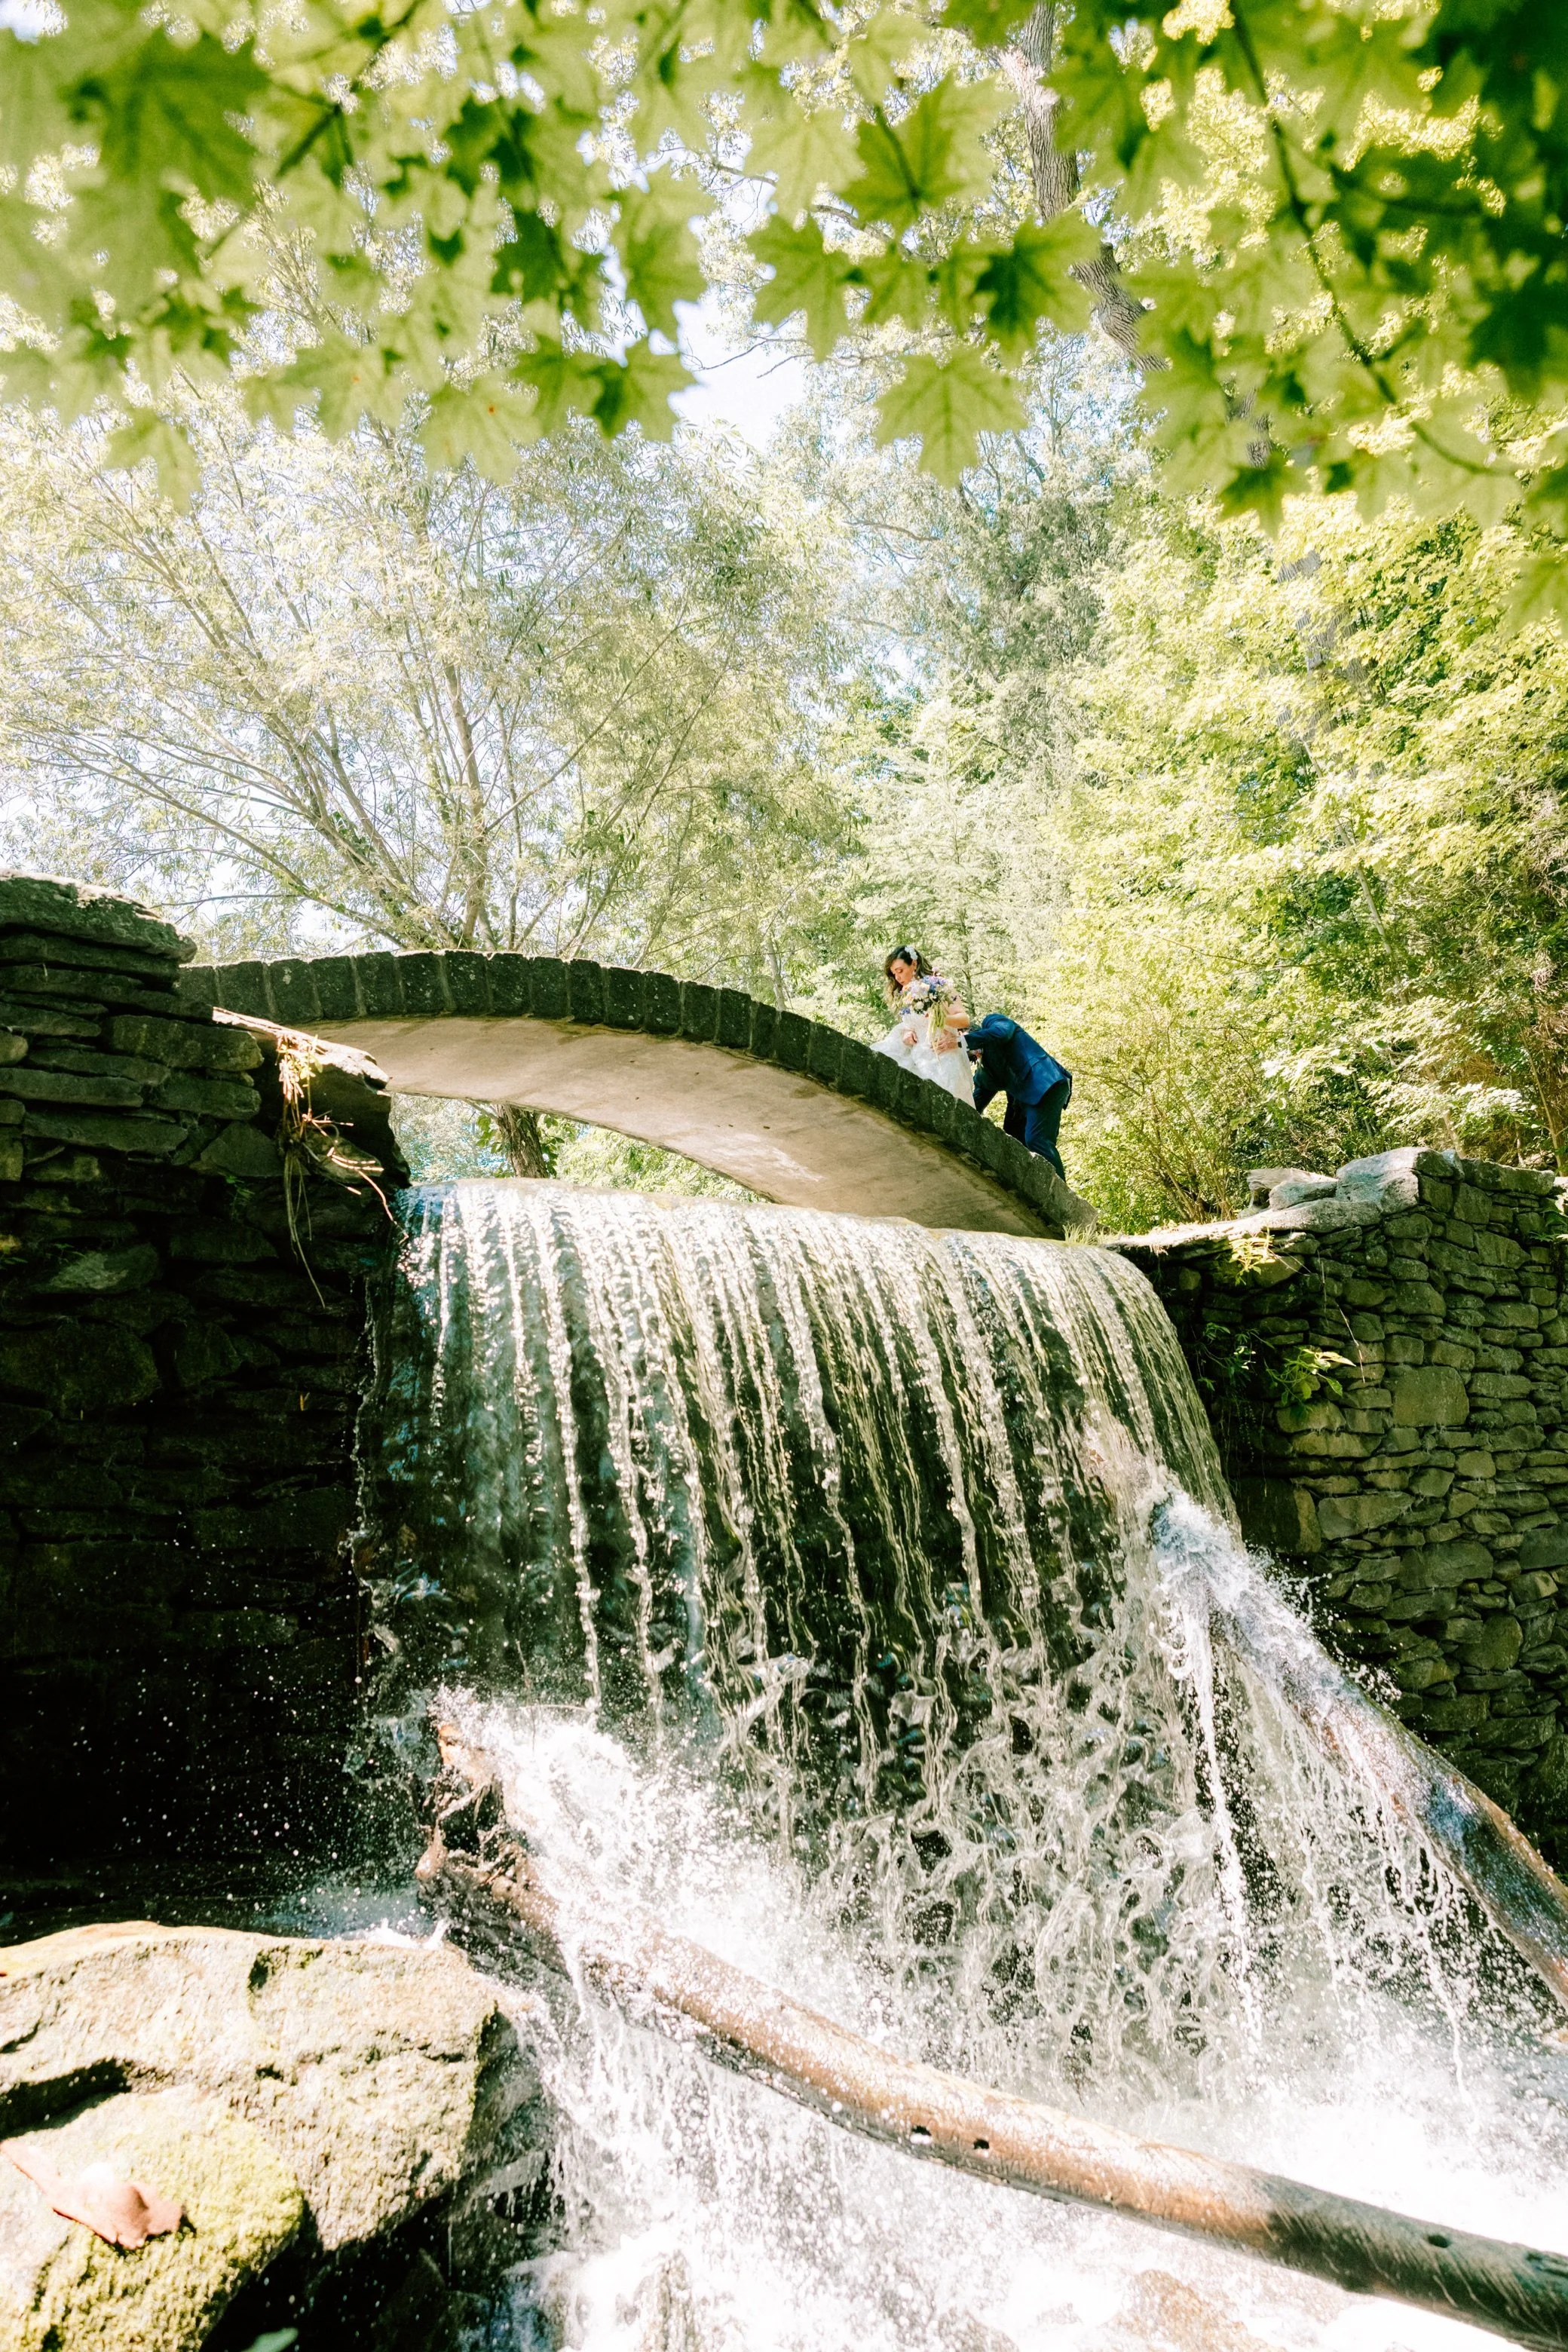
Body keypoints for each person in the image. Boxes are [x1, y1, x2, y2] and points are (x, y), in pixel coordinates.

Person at [964, 1012, 1072, 1180]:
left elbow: (1002, 1034)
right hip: (1024, 1099)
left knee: (1037, 1139)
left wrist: (962, 1041)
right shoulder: (985, 1073)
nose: (974, 1054)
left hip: (1046, 1082)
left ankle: (1061, 1191)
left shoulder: (993, 1021)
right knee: (1013, 1138)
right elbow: (975, 1103)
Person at [871, 945, 974, 1107]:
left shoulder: (939, 986)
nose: (897, 977)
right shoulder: (904, 995)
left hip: (943, 1055)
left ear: (913, 964)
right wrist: (907, 1033)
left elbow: (964, 1019)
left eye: (900, 971)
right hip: (919, 1059)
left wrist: (940, 1019)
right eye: (894, 973)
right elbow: (911, 1023)